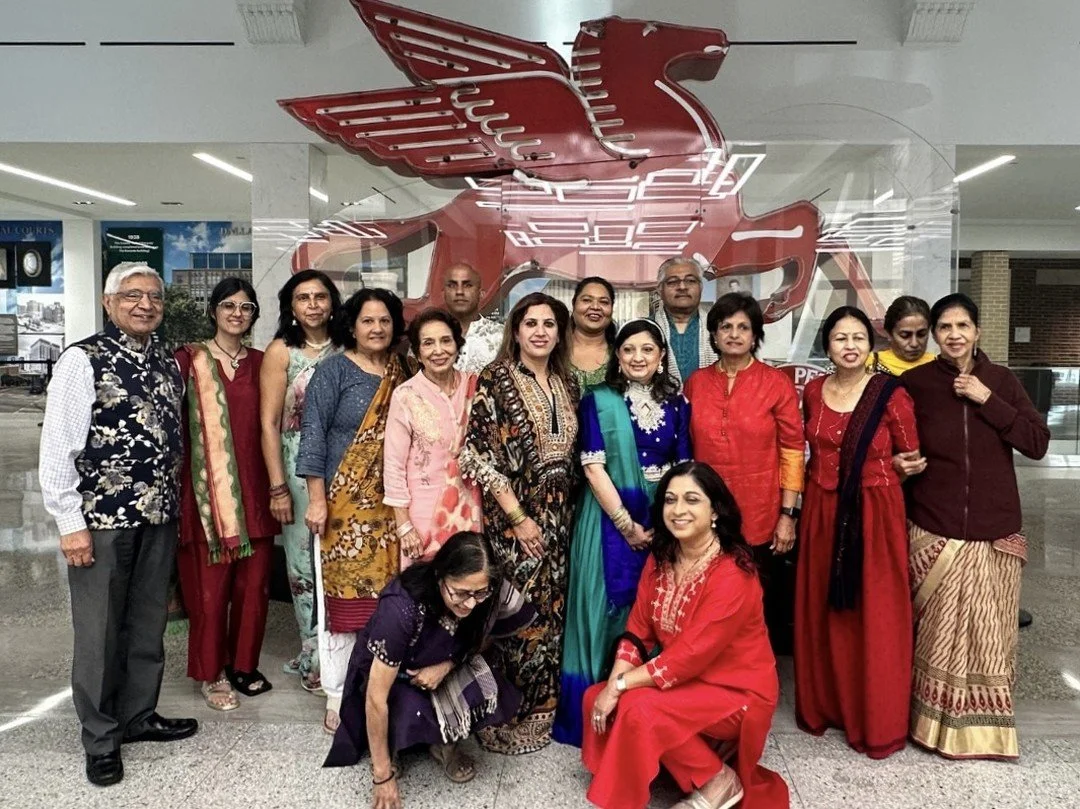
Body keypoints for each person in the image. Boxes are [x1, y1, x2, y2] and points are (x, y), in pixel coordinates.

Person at [39, 262, 197, 787]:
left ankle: (137, 716)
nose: (144, 304)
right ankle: (101, 738)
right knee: (100, 630)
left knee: (148, 623)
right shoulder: (82, 361)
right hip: (101, 520)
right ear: (109, 303)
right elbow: (58, 448)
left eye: (153, 296)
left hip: (158, 515)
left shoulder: (168, 364)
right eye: (132, 295)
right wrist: (69, 522)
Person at [583, 462, 789, 809]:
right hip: (686, 680)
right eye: (670, 500)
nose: (678, 510)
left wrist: (619, 686)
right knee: (594, 697)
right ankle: (693, 763)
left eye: (692, 500)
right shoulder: (662, 558)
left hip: (737, 690)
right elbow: (638, 629)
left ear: (714, 512)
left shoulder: (734, 575)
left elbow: (688, 656)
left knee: (635, 706)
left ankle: (718, 781)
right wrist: (614, 682)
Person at [902, 293, 1049, 760]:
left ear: (977, 330)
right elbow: (895, 445)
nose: (954, 335)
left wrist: (989, 401)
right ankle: (929, 726)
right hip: (935, 526)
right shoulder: (915, 384)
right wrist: (901, 463)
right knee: (935, 637)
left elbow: (1037, 443)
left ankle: (986, 731)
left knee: (991, 638)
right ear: (934, 335)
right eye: (944, 328)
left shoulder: (1001, 381)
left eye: (962, 325)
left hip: (994, 531)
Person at [554, 318, 691, 746]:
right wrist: (627, 525)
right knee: (604, 609)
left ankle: (640, 713)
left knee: (652, 610)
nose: (638, 358)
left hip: (663, 517)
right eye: (629, 349)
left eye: (647, 350)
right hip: (606, 517)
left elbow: (685, 469)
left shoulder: (679, 405)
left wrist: (666, 522)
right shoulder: (599, 400)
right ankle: (594, 712)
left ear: (661, 356)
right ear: (618, 355)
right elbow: (593, 467)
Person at [324, 532, 537, 807]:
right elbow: (376, 699)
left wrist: (446, 666)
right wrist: (382, 776)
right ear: (440, 577)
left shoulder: (488, 591)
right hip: (398, 677)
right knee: (407, 708)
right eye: (460, 593)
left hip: (445, 662)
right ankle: (391, 749)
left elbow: (486, 636)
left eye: (479, 594)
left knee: (486, 682)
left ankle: (444, 743)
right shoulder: (402, 608)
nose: (471, 604)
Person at [794, 306, 921, 759]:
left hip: (873, 511)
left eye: (858, 338)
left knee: (875, 612)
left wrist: (882, 478)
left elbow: (912, 456)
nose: (849, 346)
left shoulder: (889, 394)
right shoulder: (812, 391)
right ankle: (826, 704)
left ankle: (875, 718)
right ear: (826, 346)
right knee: (823, 608)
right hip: (821, 509)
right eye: (840, 338)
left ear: (871, 346)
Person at [460, 291, 580, 754]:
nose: (540, 332)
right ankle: (503, 710)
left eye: (549, 324)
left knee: (551, 613)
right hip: (514, 519)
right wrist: (518, 518)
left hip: (558, 517)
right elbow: (477, 455)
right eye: (531, 323)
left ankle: (541, 709)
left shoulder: (567, 384)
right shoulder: (495, 379)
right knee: (514, 612)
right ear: (516, 330)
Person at [297, 288, 415, 735]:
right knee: (343, 607)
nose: (377, 329)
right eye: (368, 321)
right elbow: (313, 435)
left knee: (391, 603)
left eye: (385, 321)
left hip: (393, 508)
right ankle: (337, 692)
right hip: (343, 510)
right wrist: (316, 498)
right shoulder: (332, 372)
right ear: (352, 325)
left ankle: (381, 689)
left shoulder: (405, 370)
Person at [176, 278, 281, 711]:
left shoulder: (263, 363)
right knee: (208, 592)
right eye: (228, 305)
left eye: (246, 307)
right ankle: (211, 671)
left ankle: (243, 665)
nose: (237, 313)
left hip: (256, 492)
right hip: (205, 498)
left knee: (254, 589)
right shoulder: (188, 360)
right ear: (213, 311)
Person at [684, 293, 804, 654]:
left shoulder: (775, 383)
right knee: (704, 602)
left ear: (755, 336)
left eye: (743, 327)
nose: (734, 334)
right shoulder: (697, 383)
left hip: (761, 514)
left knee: (755, 604)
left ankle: (751, 683)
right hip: (705, 514)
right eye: (725, 327)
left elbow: (793, 451)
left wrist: (788, 514)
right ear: (714, 334)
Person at [259, 269, 342, 693]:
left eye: (320, 296)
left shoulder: (349, 347)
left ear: (332, 302)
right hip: (294, 468)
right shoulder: (281, 352)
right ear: (291, 307)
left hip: (343, 467)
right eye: (303, 297)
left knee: (339, 559)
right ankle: (313, 652)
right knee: (303, 563)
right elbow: (269, 424)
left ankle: (343, 649)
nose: (313, 304)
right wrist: (277, 486)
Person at [383, 309, 482, 569]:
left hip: (471, 510)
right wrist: (404, 525)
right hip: (423, 516)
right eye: (428, 343)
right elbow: (393, 464)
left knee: (468, 584)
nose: (438, 350)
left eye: (446, 340)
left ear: (457, 344)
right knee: (425, 593)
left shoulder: (476, 386)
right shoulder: (406, 395)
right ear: (416, 351)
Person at [653, 257, 717, 387]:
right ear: (660, 289)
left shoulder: (719, 329)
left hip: (709, 405)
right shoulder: (643, 330)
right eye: (673, 282)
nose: (682, 287)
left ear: (700, 287)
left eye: (690, 281)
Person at [443, 262, 503, 374]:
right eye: (452, 285)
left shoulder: (502, 336)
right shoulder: (427, 336)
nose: (459, 292)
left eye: (468, 285)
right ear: (443, 293)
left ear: (481, 293)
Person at [568, 276, 616, 391]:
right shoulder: (553, 351)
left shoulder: (622, 355)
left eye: (604, 302)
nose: (595, 307)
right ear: (574, 304)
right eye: (587, 300)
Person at [869, 295, 935, 376]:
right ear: (889, 334)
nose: (914, 344)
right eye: (904, 335)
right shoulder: (869, 364)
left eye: (921, 334)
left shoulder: (940, 365)